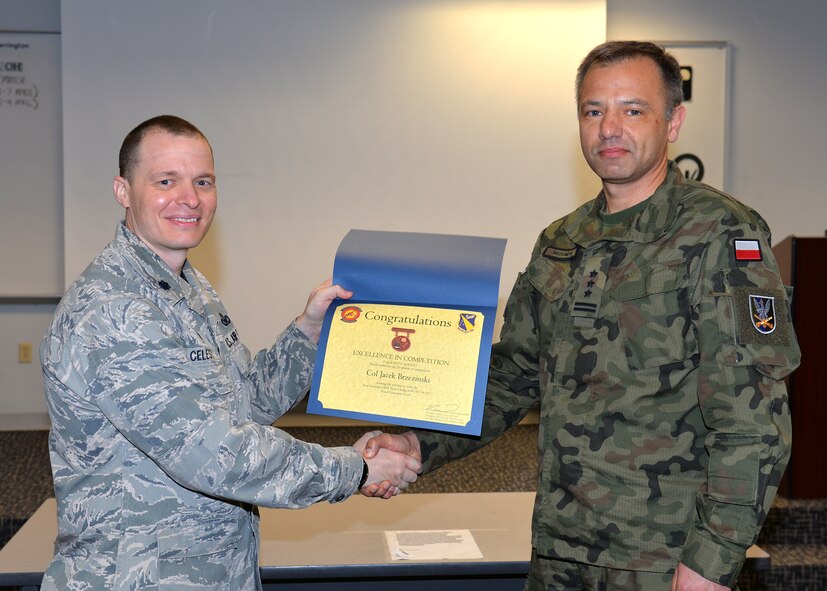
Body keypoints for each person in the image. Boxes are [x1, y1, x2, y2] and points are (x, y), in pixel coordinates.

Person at [364, 41, 800, 590]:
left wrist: (710, 564)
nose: (609, 128)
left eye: (632, 110)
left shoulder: (720, 233)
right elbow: (510, 378)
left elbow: (753, 422)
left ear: (674, 122)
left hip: (663, 561)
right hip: (559, 551)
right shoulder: (561, 241)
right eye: (594, 111)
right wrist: (417, 443)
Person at [39, 115, 421, 590]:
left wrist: (310, 330)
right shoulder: (116, 310)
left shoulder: (186, 285)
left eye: (203, 181)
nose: (190, 198)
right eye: (165, 181)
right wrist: (355, 468)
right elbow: (217, 452)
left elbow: (243, 404)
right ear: (123, 191)